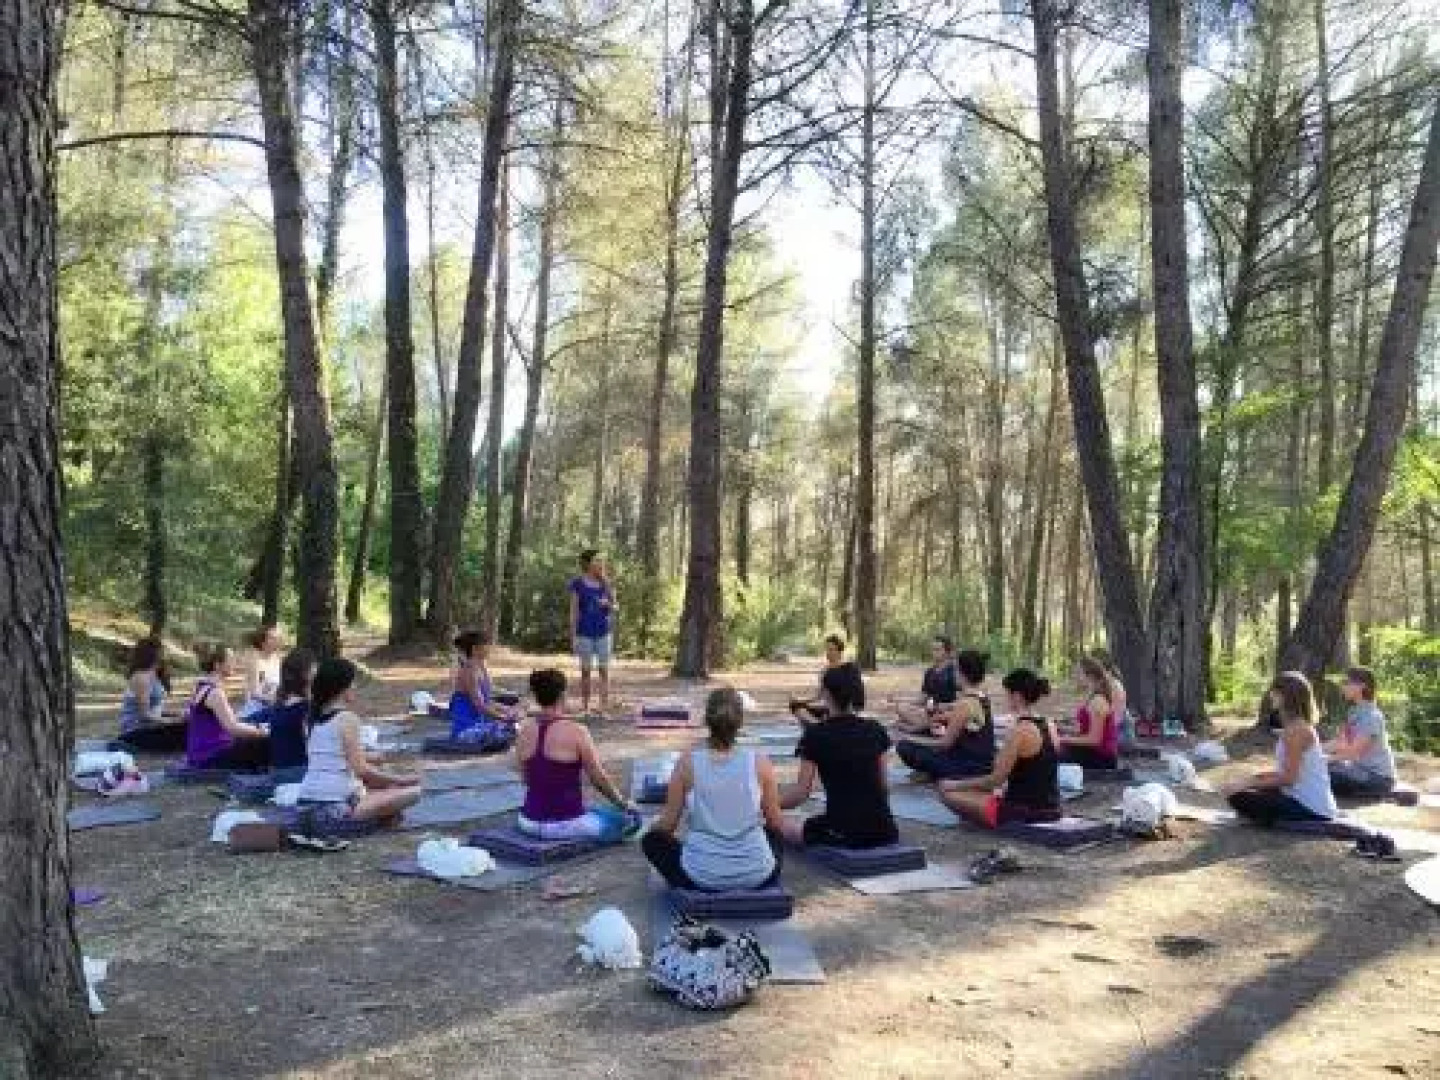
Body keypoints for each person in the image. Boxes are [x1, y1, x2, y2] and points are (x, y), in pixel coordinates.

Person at [643, 687, 787, 890]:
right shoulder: (760, 763)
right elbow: (776, 824)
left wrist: (651, 828)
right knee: (775, 835)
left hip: (701, 876)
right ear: (740, 721)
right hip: (757, 875)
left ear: (706, 720)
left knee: (652, 841)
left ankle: (706, 873)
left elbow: (667, 825)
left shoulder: (687, 763)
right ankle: (750, 872)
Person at [780, 663, 898, 849]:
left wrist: (767, 804)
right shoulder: (875, 729)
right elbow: (883, 787)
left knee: (782, 824)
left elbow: (800, 795)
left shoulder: (814, 735)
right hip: (886, 830)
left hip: (842, 832)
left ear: (826, 694)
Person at [296, 657, 422, 828]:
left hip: (305, 804)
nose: (355, 687)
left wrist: (377, 760)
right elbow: (361, 770)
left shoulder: (310, 718)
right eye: (352, 683)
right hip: (335, 809)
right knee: (413, 792)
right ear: (342, 688)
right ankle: (378, 816)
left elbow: (330, 755)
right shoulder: (347, 719)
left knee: (383, 787)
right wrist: (402, 780)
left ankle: (381, 814)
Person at [514, 668, 637, 841]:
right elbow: (598, 779)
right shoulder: (577, 731)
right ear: (563, 695)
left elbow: (526, 779)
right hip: (564, 824)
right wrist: (623, 803)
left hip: (527, 821)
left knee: (596, 811)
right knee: (629, 820)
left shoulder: (524, 730)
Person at [938, 669, 1062, 829]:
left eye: (1006, 694)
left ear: (1016, 696)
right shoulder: (1050, 724)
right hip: (1053, 808)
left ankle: (980, 816)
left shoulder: (1019, 730)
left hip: (1024, 813)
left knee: (947, 793)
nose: (1005, 699)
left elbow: (995, 780)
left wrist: (955, 785)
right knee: (980, 791)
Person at [1225, 671, 1339, 826]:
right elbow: (1287, 771)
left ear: (1286, 696)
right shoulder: (1296, 726)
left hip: (1312, 809)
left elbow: (1289, 778)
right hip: (1305, 800)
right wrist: (1255, 777)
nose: (1271, 695)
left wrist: (1248, 783)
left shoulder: (1296, 731)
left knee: (1238, 796)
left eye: (1275, 692)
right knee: (1246, 788)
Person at [895, 649, 996, 780]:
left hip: (969, 767)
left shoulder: (965, 704)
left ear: (962, 673)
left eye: (955, 670)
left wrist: (909, 738)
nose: (953, 674)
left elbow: (944, 744)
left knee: (905, 747)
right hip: (982, 763)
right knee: (926, 740)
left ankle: (937, 773)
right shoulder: (982, 696)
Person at [184, 644, 271, 771]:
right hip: (209, 757)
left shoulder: (201, 685)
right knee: (264, 742)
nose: (234, 664)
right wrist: (262, 732)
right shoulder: (215, 693)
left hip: (201, 754)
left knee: (254, 733)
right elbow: (233, 728)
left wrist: (256, 727)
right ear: (217, 665)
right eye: (231, 660)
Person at [1324, 666, 1397, 798]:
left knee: (1320, 772)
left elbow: (1353, 752)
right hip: (1359, 771)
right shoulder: (1353, 712)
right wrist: (1312, 750)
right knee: (1317, 769)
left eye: (1346, 682)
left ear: (1361, 686)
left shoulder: (1372, 716)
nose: (1342, 686)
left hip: (1378, 779)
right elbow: (1340, 742)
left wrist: (1323, 760)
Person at [116, 637, 187, 752]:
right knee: (188, 731)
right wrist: (171, 721)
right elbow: (145, 714)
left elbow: (154, 710)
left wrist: (177, 714)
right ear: (153, 654)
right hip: (134, 732)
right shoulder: (142, 677)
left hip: (149, 727)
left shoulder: (154, 675)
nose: (164, 654)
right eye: (162, 651)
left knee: (191, 725)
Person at [448, 629, 518, 745]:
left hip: (480, 723)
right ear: (475, 649)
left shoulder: (482, 667)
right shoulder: (468, 671)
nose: (490, 648)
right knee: (509, 732)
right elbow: (480, 705)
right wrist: (504, 717)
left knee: (515, 729)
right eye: (487, 645)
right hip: (467, 729)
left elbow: (488, 701)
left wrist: (509, 710)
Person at [569, 549, 617, 715]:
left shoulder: (606, 582)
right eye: (597, 560)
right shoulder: (578, 583)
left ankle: (603, 708)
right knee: (585, 671)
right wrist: (573, 635)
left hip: (604, 632)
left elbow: (615, 606)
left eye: (601, 561)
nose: (601, 563)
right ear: (588, 563)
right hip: (584, 633)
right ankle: (585, 708)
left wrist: (608, 604)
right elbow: (574, 611)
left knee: (604, 671)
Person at [1056, 656, 1121, 769]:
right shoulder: (1092, 697)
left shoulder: (1098, 701)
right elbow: (1083, 729)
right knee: (1052, 748)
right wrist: (1058, 728)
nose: (1074, 676)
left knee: (1052, 753)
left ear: (1089, 676)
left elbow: (1094, 740)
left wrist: (1063, 739)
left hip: (1101, 758)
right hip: (1092, 752)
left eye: (1077, 673)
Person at [790, 634, 864, 724]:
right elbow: (819, 696)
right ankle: (814, 730)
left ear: (840, 651)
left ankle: (820, 730)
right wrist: (800, 700)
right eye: (827, 650)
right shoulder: (825, 671)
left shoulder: (850, 669)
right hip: (828, 711)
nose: (828, 653)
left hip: (843, 716)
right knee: (795, 705)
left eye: (832, 650)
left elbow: (857, 696)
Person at [265, 648, 316, 773]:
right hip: (299, 772)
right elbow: (316, 746)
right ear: (306, 674)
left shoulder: (279, 704)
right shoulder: (305, 708)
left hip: (277, 770)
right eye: (314, 666)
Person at [895, 636, 959, 734]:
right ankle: (926, 726)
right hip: (929, 712)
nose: (934, 652)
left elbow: (962, 701)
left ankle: (918, 727)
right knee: (901, 707)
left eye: (938, 649)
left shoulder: (955, 672)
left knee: (943, 717)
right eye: (933, 649)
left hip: (948, 713)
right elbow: (922, 698)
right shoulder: (929, 672)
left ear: (947, 652)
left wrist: (944, 706)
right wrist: (901, 700)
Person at [238, 624, 283, 719]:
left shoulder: (277, 659)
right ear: (262, 641)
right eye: (273, 638)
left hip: (272, 707)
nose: (278, 641)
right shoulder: (254, 659)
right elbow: (254, 693)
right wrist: (274, 700)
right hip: (255, 709)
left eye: (278, 638)